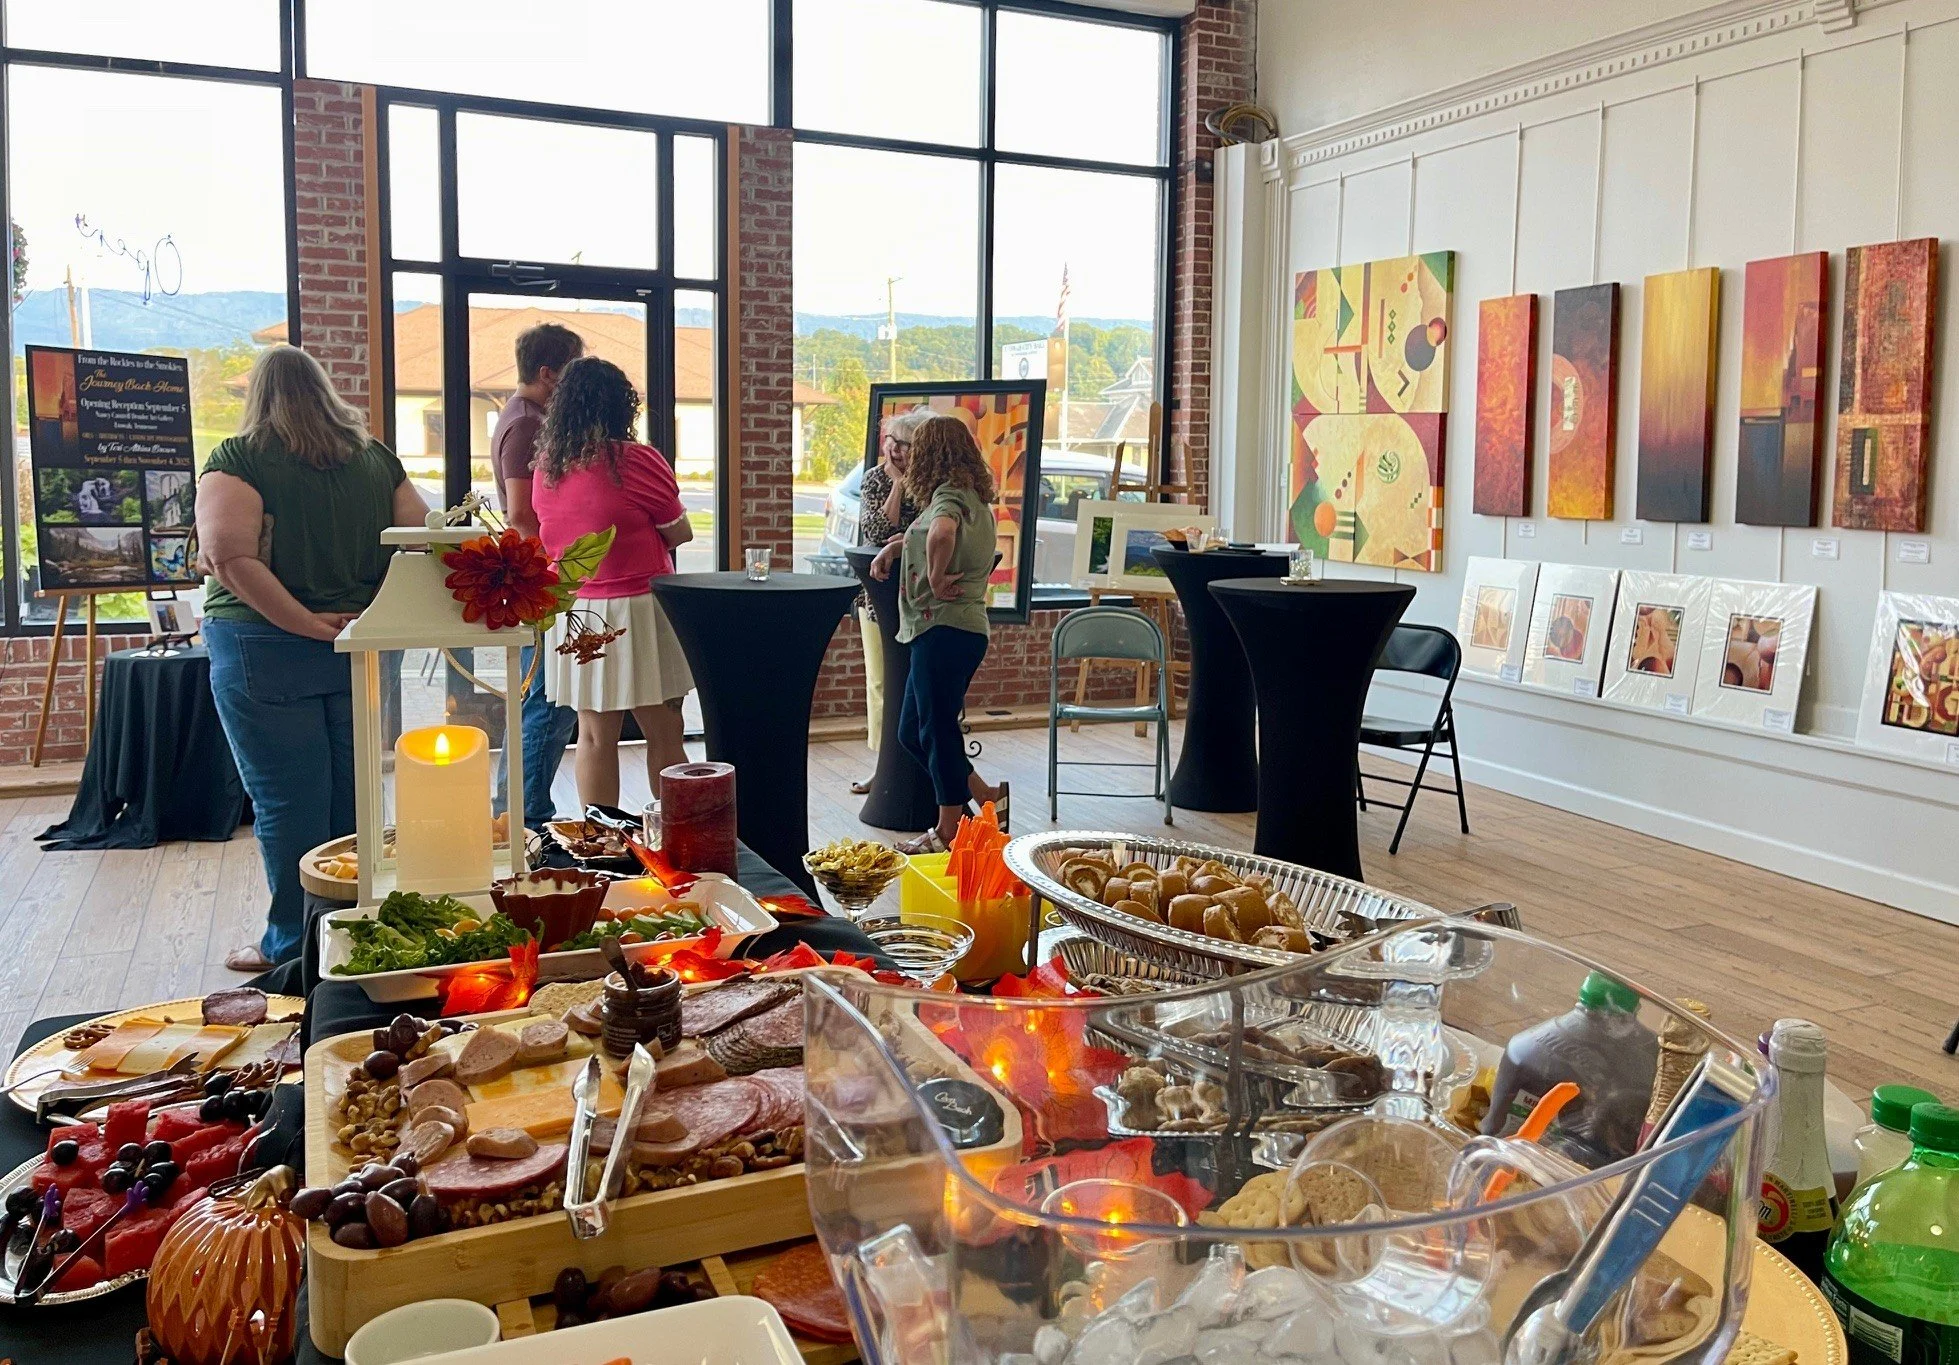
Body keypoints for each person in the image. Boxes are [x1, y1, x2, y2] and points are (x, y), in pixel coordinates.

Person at [196, 345, 427, 971]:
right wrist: (367, 616)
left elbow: (226, 556)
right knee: (353, 800)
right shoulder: (376, 459)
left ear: (258, 397)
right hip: (362, 645)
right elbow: (423, 540)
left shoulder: (238, 457)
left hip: (263, 648)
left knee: (287, 800)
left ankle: (293, 947)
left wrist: (304, 624)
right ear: (325, 390)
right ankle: (358, 932)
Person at [531, 356, 694, 808]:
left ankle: (600, 845)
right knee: (663, 729)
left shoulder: (547, 467)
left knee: (594, 735)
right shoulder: (638, 460)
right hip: (641, 606)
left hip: (577, 608)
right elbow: (680, 532)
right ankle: (674, 839)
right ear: (623, 408)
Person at [870, 414, 1008, 852]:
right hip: (949, 631)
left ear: (930, 454)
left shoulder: (948, 498)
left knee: (933, 727)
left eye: (915, 449)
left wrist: (934, 573)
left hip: (946, 628)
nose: (906, 455)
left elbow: (943, 533)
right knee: (914, 730)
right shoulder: (968, 497)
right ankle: (985, 796)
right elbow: (934, 530)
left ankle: (948, 830)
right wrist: (897, 547)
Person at [491, 322, 584, 828]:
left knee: (546, 703)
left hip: (541, 583)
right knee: (549, 705)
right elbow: (522, 514)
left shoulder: (524, 415)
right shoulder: (527, 423)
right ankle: (524, 818)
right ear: (548, 373)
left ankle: (518, 812)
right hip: (544, 585)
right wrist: (555, 582)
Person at [849, 407, 930, 795]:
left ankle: (918, 766)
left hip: (923, 595)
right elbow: (878, 531)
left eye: (905, 445)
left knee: (917, 685)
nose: (895, 451)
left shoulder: (934, 484)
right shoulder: (874, 480)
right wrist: (897, 485)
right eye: (891, 442)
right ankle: (883, 771)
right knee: (881, 683)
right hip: (877, 595)